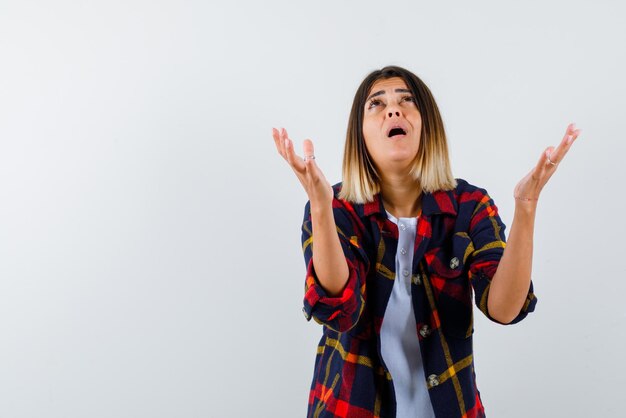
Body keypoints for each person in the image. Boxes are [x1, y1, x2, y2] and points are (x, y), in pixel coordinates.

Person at [271, 65, 580, 418]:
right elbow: (339, 308)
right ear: (360, 134)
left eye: (407, 100)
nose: (393, 109)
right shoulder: (334, 206)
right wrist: (322, 207)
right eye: (376, 104)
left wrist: (527, 206)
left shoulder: (469, 206)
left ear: (428, 126)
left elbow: (505, 309)